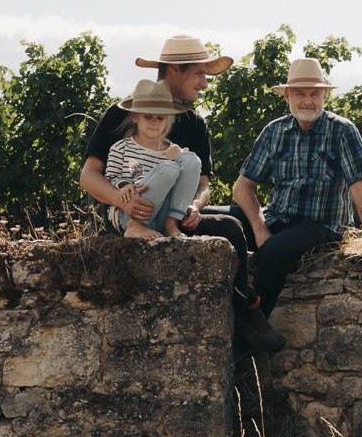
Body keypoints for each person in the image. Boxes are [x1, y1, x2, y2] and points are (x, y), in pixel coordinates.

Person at [80, 35, 285, 353]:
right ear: (175, 69)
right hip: (126, 215)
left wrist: (193, 206)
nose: (205, 83)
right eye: (200, 74)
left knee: (233, 223)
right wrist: (124, 200)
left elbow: (202, 183)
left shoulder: (195, 124)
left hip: (171, 216)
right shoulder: (123, 114)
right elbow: (89, 175)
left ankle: (247, 313)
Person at [233, 58, 362, 317]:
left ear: (324, 96)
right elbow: (242, 187)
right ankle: (228, 306)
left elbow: (360, 187)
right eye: (300, 93)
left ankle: (253, 326)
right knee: (217, 221)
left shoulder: (342, 131)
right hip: (277, 217)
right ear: (286, 94)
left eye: (315, 93)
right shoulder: (274, 131)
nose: (307, 100)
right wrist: (260, 229)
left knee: (274, 251)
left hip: (322, 226)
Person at [103, 79, 202, 241]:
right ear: (135, 117)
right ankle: (135, 226)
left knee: (191, 160)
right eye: (148, 116)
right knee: (169, 169)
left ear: (167, 120)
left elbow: (188, 174)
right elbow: (111, 177)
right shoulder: (121, 147)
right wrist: (124, 185)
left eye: (160, 118)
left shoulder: (172, 150)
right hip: (130, 212)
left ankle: (171, 223)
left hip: (161, 214)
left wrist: (180, 157)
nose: (154, 122)